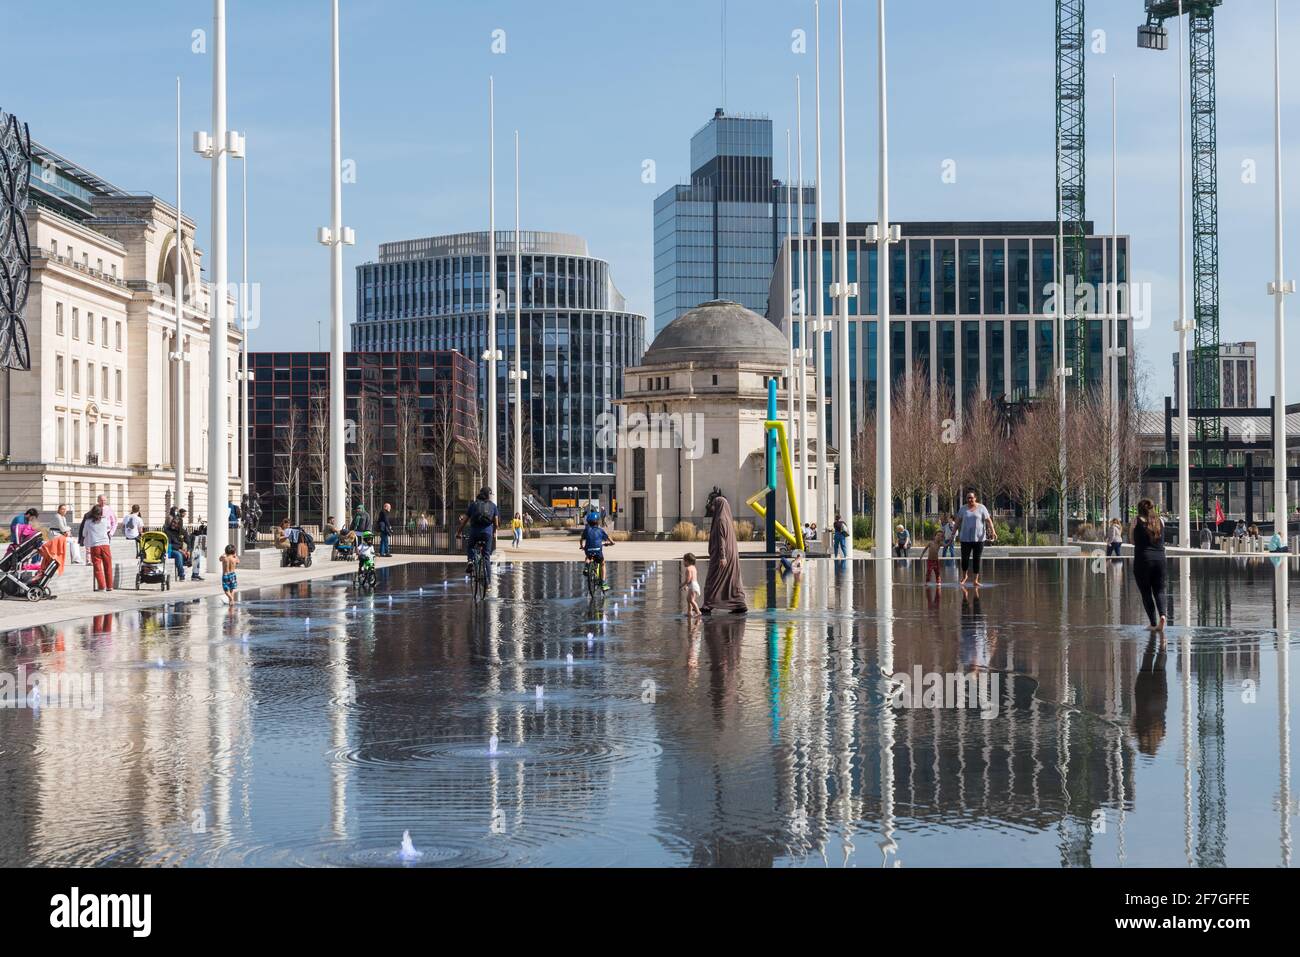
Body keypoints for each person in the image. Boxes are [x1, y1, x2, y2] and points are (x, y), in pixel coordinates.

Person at [701, 494, 747, 614]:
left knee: (712, 579)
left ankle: (708, 604)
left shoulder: (720, 520)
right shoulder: (727, 519)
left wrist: (722, 556)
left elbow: (721, 539)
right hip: (731, 554)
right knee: (732, 579)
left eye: (714, 505)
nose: (713, 508)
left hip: (722, 555)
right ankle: (738, 603)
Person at [1132, 499, 1168, 631]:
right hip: (1160, 559)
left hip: (1143, 560)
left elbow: (1132, 540)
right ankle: (1163, 616)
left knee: (1146, 592)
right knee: (1159, 590)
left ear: (1139, 509)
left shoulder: (1137, 521)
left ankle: (1153, 624)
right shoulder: (1160, 521)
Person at [456, 487, 500, 575]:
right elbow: (496, 523)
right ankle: (487, 583)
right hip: (487, 532)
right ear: (488, 495)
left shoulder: (473, 505)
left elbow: (464, 521)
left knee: (471, 546)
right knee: (486, 557)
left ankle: (470, 561)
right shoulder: (493, 506)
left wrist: (459, 532)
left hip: (475, 532)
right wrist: (494, 532)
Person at [958, 490, 997, 587]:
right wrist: (953, 533)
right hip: (965, 538)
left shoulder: (982, 508)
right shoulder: (963, 509)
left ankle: (975, 580)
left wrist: (993, 531)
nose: (969, 499)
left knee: (976, 559)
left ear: (975, 498)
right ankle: (964, 576)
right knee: (965, 559)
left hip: (979, 538)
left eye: (971, 497)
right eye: (968, 498)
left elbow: (988, 520)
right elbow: (958, 522)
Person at [83, 504, 114, 592]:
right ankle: (110, 586)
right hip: (105, 544)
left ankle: (102, 587)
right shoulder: (105, 520)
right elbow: (108, 528)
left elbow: (84, 534)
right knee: (108, 565)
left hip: (95, 545)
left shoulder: (88, 522)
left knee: (97, 567)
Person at [580, 513, 614, 589]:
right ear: (598, 521)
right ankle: (603, 583)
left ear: (588, 522)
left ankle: (586, 567)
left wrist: (581, 546)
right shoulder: (600, 530)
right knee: (602, 563)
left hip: (588, 550)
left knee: (588, 557)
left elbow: (581, 539)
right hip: (598, 551)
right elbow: (610, 540)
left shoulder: (586, 530)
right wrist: (610, 543)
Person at [165, 511, 190, 581]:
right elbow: (169, 545)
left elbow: (188, 542)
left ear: (179, 524)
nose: (173, 524)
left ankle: (195, 574)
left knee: (196, 554)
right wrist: (179, 549)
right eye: (173, 522)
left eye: (175, 523)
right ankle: (181, 575)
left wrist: (188, 551)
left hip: (182, 551)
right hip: (171, 551)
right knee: (178, 555)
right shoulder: (167, 531)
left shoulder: (183, 531)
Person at [681, 553, 702, 617]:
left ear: (687, 561)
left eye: (684, 561)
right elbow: (692, 578)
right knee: (689, 599)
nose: (683, 562)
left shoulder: (688, 569)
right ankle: (689, 612)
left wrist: (683, 584)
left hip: (693, 586)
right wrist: (687, 586)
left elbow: (688, 579)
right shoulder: (693, 567)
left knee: (691, 600)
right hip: (694, 585)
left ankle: (698, 612)